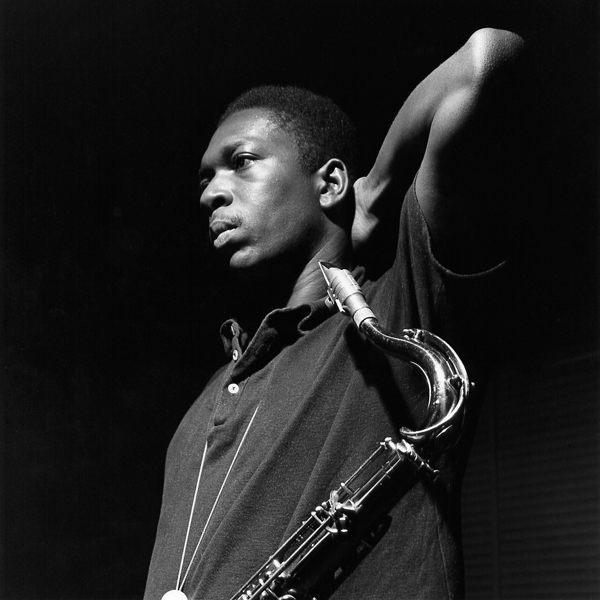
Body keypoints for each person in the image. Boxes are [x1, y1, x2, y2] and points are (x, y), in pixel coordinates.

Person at [145, 27, 529, 600]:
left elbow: (485, 62)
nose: (210, 194)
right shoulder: (204, 402)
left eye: (241, 162)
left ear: (329, 183)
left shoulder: (399, 307)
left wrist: (378, 190)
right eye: (205, 179)